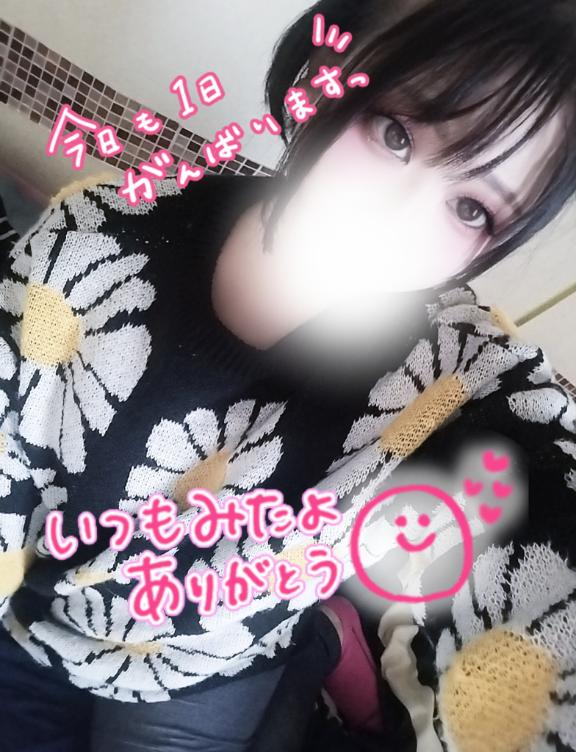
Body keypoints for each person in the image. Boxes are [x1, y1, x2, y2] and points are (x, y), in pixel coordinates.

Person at [0, 0, 575, 750]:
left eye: (471, 209)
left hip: (213, 668)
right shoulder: (89, 250)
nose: (396, 221)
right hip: (39, 628)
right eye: (394, 134)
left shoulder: (456, 376)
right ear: (322, 70)